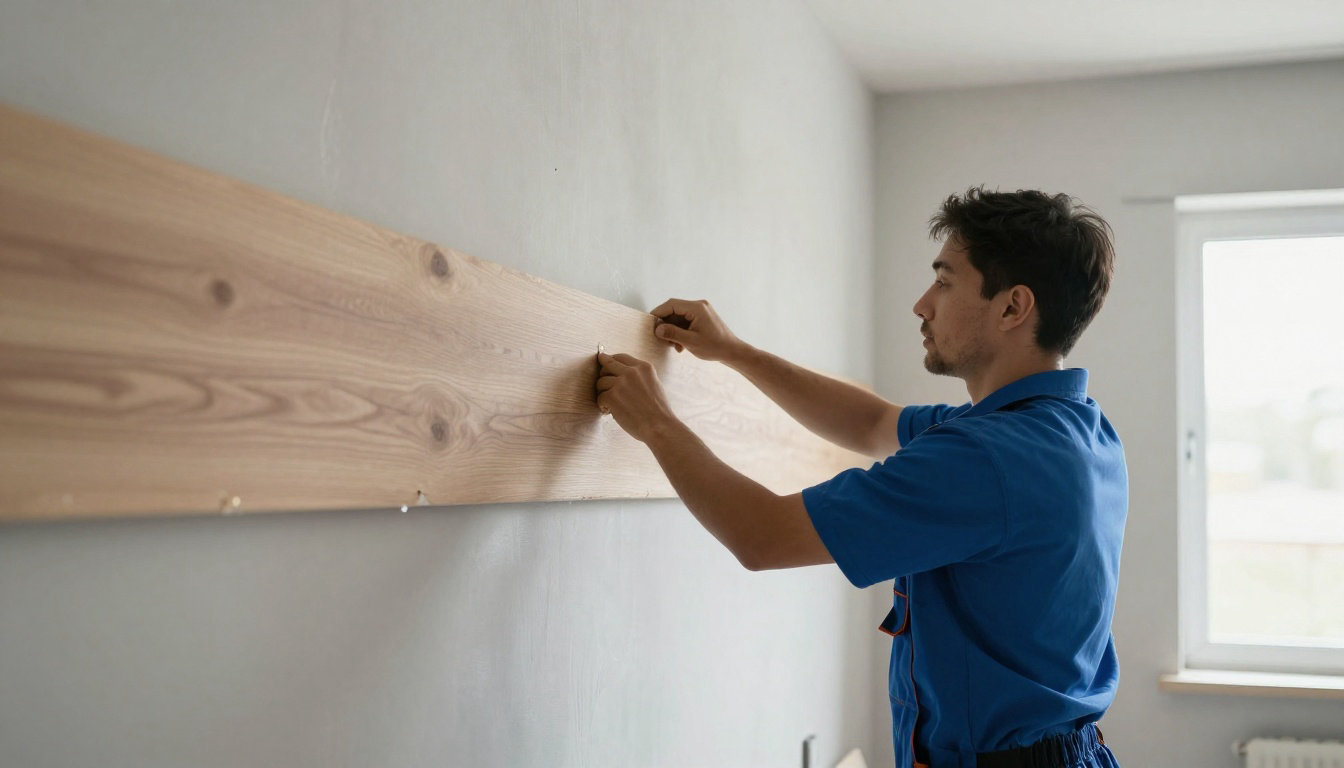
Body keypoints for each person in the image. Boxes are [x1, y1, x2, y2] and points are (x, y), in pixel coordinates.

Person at [594, 187, 1126, 768]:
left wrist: (656, 424)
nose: (922, 304)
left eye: (945, 282)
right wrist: (734, 352)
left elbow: (763, 536)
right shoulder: (1072, 429)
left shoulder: (987, 458)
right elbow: (873, 422)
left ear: (1011, 307)